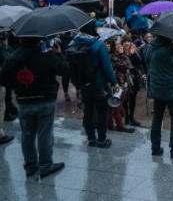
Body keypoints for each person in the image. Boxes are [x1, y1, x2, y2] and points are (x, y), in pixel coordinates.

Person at [0, 36, 68, 179]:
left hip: (24, 101)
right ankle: (45, 165)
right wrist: (59, 53)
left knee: (27, 135)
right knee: (45, 134)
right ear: (38, 41)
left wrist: (18, 85)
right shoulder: (47, 56)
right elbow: (64, 69)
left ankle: (30, 165)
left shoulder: (12, 58)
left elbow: (4, 79)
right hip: (45, 100)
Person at [68, 23, 119, 148]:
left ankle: (91, 139)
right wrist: (114, 82)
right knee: (102, 112)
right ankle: (102, 139)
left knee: (88, 112)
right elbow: (107, 67)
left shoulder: (73, 43)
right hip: (100, 84)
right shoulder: (99, 45)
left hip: (84, 84)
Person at [143, 35, 173, 159]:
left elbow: (147, 61)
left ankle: (155, 148)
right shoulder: (170, 51)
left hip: (156, 89)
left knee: (157, 119)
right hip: (172, 90)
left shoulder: (149, 47)